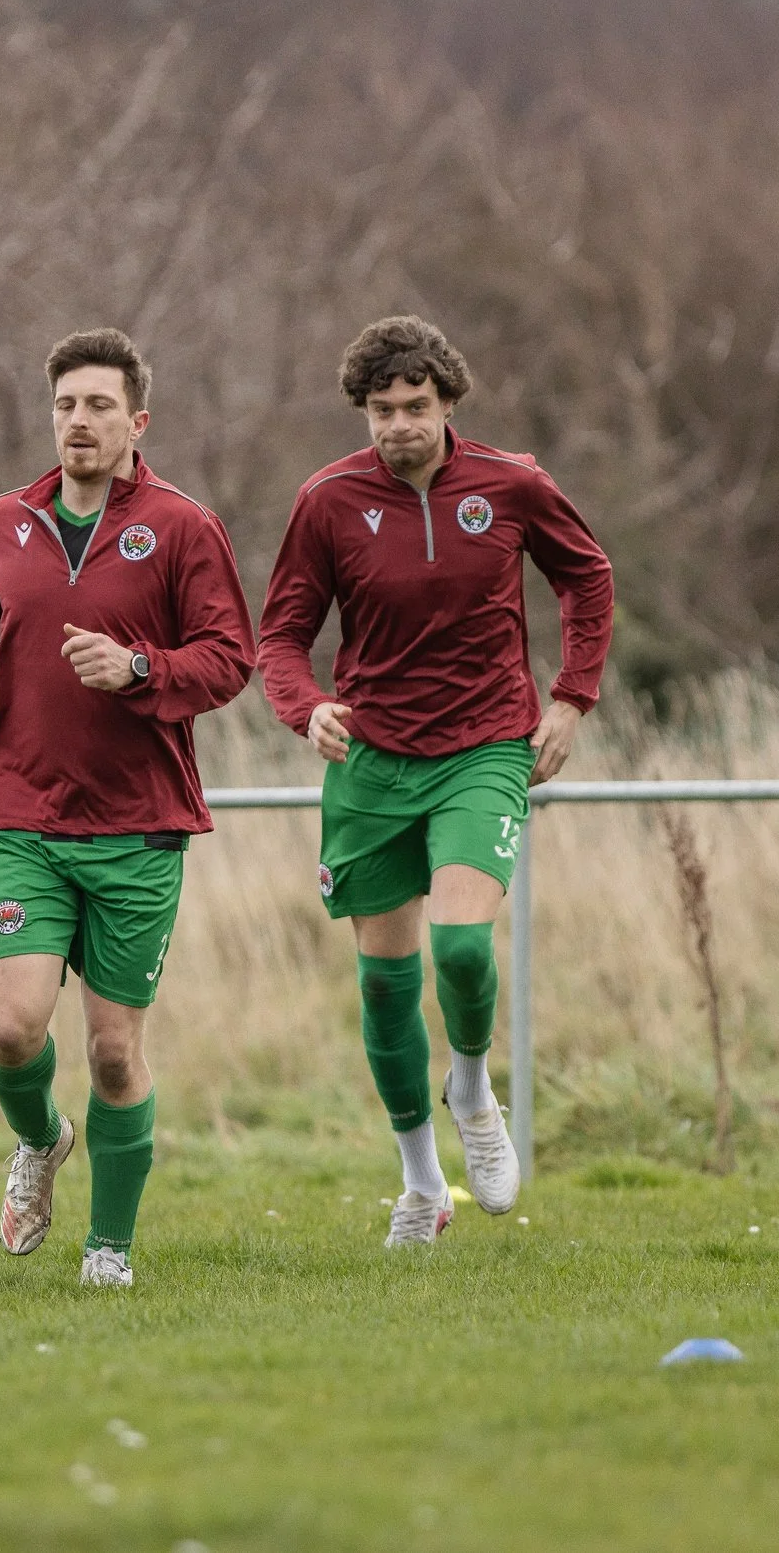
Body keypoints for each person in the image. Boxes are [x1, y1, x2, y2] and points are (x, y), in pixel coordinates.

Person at [258, 316, 613, 1246]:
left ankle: (471, 1085)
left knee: (460, 952)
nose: (398, 426)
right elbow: (281, 638)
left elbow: (588, 578)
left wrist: (572, 697)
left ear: (449, 401)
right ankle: (421, 1186)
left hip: (486, 748)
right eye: (381, 411)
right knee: (383, 985)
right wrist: (308, 707)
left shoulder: (512, 484)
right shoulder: (327, 501)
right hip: (372, 760)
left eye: (415, 407)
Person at [0, 329, 256, 1287]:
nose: (80, 420)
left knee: (115, 1054)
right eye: (67, 404)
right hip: (24, 813)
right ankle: (40, 1139)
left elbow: (229, 657)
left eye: (100, 405)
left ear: (136, 420)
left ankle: (108, 1250)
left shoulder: (184, 527)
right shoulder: (3, 523)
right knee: (12, 1032)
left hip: (140, 825)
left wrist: (140, 666)